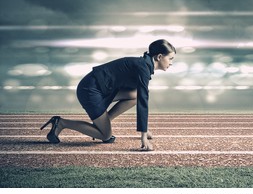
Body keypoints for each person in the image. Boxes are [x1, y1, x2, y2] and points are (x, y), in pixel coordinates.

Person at [40, 39, 176, 151]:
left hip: (103, 89)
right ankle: (61, 123)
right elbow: (143, 103)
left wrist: (144, 130)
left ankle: (103, 122)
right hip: (90, 90)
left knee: (136, 95)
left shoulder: (143, 65)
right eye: (170, 58)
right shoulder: (143, 68)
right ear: (159, 57)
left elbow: (139, 97)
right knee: (105, 136)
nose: (171, 63)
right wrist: (144, 136)